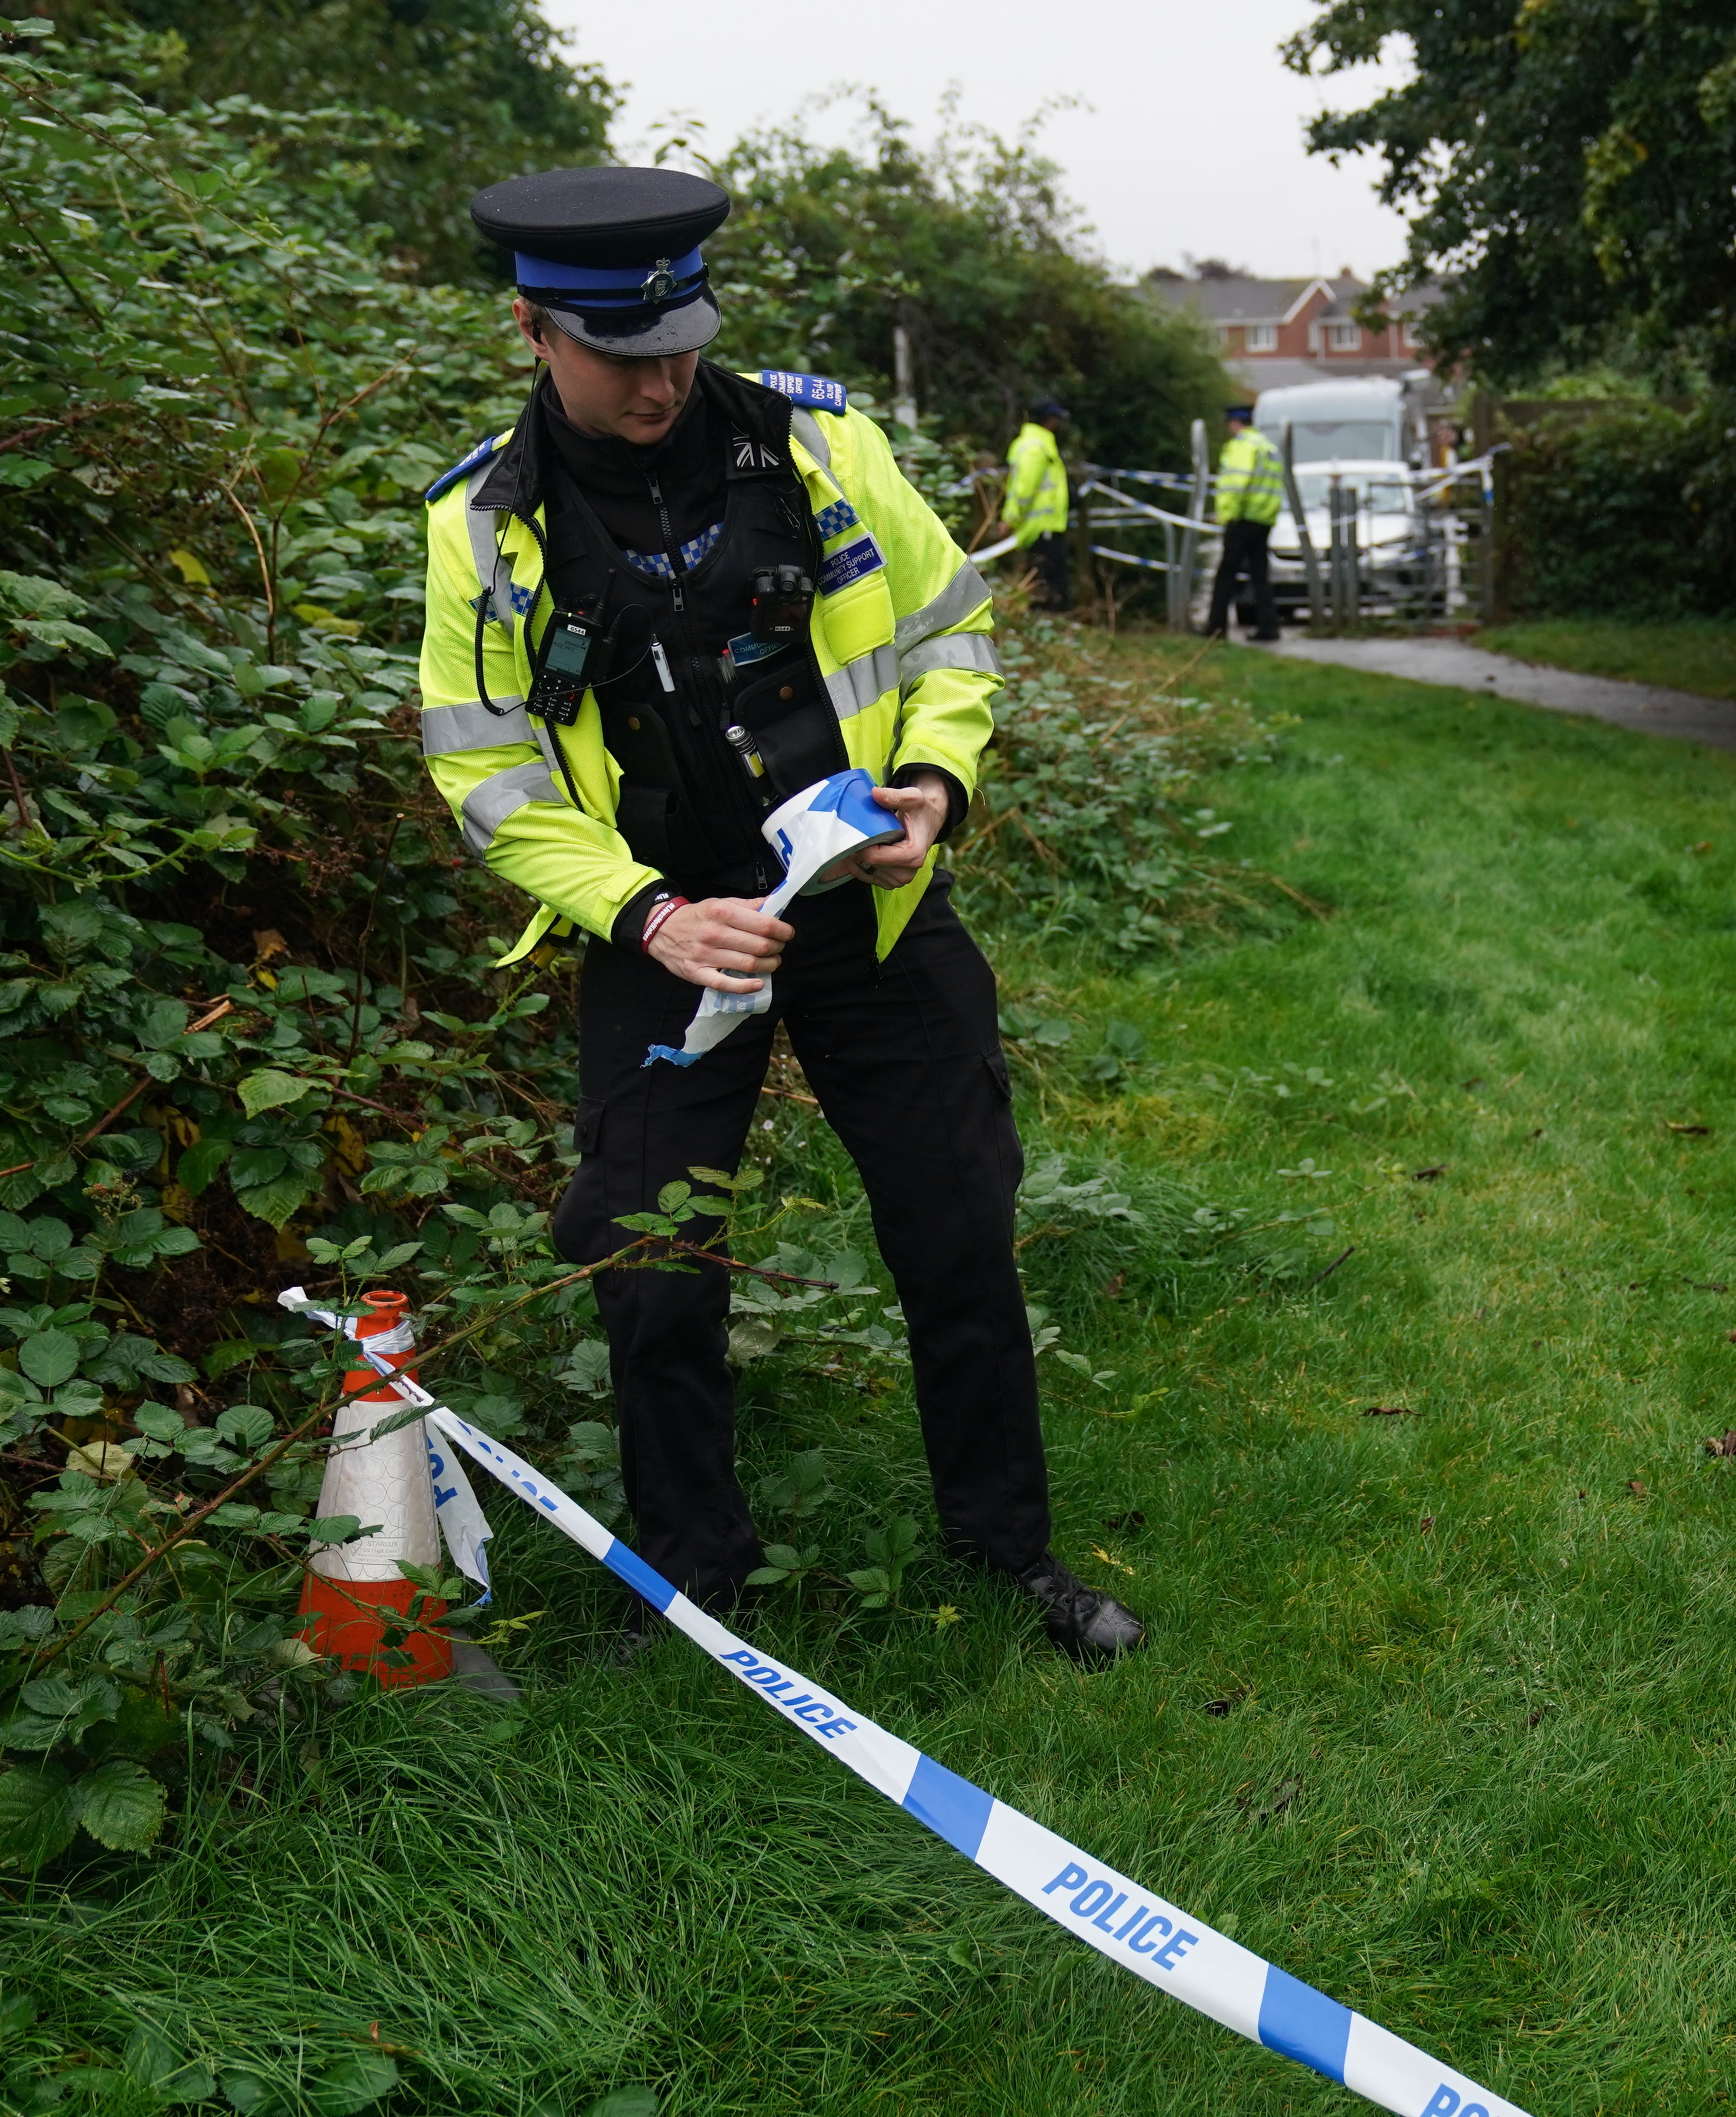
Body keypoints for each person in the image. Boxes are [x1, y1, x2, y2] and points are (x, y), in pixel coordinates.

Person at [413, 165, 1145, 1664]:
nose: (666, 380)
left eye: (684, 341)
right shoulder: (481, 523)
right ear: (532, 331)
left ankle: (1010, 1555)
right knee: (650, 1254)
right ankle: (696, 1581)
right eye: (626, 354)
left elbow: (953, 633)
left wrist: (935, 780)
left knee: (956, 1223)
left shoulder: (817, 444)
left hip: (867, 918)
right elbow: (484, 772)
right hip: (668, 939)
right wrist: (647, 916)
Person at [1203, 405, 1282, 640]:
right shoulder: (1268, 447)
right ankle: (1269, 627)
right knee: (1260, 574)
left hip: (1242, 517)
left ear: (1235, 423)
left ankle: (1216, 628)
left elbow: (1236, 484)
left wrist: (1226, 514)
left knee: (1227, 572)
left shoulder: (1242, 446)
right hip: (1264, 518)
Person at [1003, 400, 1073, 611]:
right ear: (1049, 420)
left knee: (1049, 576)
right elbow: (1025, 488)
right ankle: (1049, 623)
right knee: (1048, 579)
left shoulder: (1037, 443)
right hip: (1039, 526)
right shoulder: (1036, 447)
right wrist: (1011, 519)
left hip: (1044, 525)